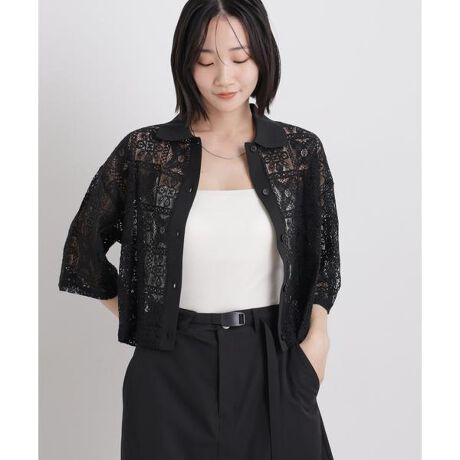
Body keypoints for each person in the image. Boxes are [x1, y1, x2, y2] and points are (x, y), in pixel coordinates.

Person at [58, 1, 341, 459]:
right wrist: (144, 316)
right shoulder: (146, 154)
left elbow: (324, 258)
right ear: (185, 63)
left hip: (276, 362)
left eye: (240, 57)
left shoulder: (299, 153)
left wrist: (318, 340)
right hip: (170, 372)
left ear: (263, 56)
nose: (224, 77)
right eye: (206, 61)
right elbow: (82, 254)